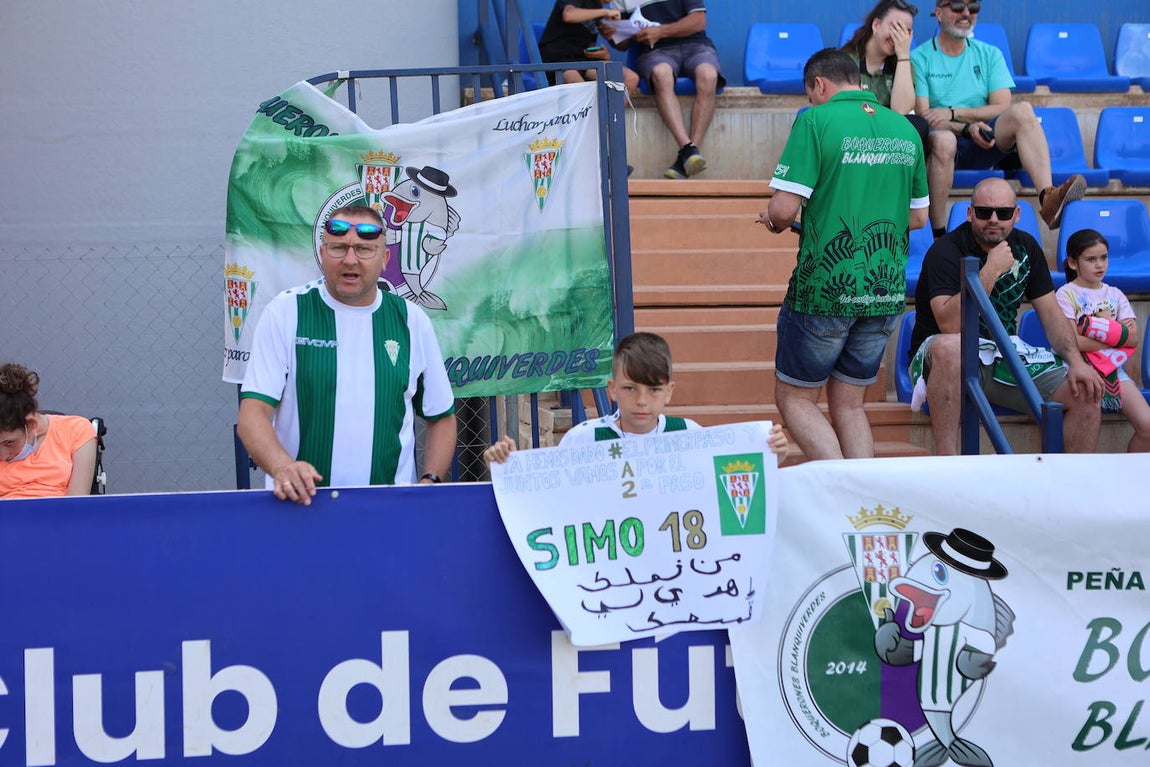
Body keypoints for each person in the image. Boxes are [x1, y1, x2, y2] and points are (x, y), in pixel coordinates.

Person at [758, 48, 929, 461]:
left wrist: (774, 221)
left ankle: (836, 484)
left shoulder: (815, 120)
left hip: (826, 287)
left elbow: (783, 211)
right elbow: (919, 218)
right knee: (851, 405)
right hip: (885, 288)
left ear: (819, 84)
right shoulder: (905, 129)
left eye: (810, 93)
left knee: (795, 398)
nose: (811, 101)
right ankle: (860, 491)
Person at [238, 204, 457, 505]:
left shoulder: (411, 320)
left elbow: (441, 416)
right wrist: (283, 467)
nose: (350, 260)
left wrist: (430, 481)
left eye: (364, 250)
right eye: (338, 248)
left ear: (385, 259)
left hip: (389, 510)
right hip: (301, 508)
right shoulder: (286, 312)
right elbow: (252, 414)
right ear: (322, 254)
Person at [907, 177, 1104, 454]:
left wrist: (1076, 361)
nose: (994, 220)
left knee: (1085, 392)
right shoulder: (946, 250)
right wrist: (990, 270)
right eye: (984, 212)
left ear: (1017, 214)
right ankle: (948, 463)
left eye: (1003, 213)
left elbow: (1051, 314)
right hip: (941, 359)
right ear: (970, 213)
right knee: (952, 347)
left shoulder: (1027, 247)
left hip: (1001, 354)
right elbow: (950, 325)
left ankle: (1065, 479)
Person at [910, 0, 1085, 236]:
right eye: (958, 6)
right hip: (943, 142)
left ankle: (1048, 197)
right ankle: (938, 235)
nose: (966, 13)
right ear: (939, 13)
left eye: (973, 7)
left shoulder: (989, 53)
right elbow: (924, 115)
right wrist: (963, 128)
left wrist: (954, 112)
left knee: (1022, 111)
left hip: (983, 139)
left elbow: (1002, 105)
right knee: (944, 140)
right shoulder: (920, 57)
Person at [484, 332, 789, 462]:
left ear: (669, 391)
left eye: (654, 390)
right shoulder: (583, 439)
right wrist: (508, 464)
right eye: (630, 389)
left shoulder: (689, 435)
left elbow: (732, 477)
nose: (642, 401)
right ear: (612, 389)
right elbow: (548, 492)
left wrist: (772, 454)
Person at [1056, 229, 1150, 452]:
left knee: (1147, 426)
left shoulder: (1115, 294)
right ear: (1073, 263)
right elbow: (1072, 342)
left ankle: (1129, 471)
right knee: (1087, 421)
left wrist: (1091, 334)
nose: (1099, 265)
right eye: (1091, 259)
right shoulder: (1065, 294)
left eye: (1104, 257)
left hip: (1114, 371)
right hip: (1076, 369)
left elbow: (1133, 338)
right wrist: (1116, 337)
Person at [620, 0, 725, 179]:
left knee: (709, 76)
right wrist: (612, 33)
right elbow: (622, 44)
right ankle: (688, 150)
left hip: (696, 46)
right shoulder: (621, 1)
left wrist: (660, 31)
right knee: (662, 74)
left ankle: (689, 152)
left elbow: (698, 21)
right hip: (655, 52)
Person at [0, 361, 97, 498]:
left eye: (9, 443)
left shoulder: (76, 430)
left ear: (31, 424)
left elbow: (76, 504)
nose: (3, 456)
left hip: (60, 511)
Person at [841, 0, 929, 148]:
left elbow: (901, 110)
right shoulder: (846, 61)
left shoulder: (905, 64)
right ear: (876, 25)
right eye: (896, 27)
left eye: (906, 31)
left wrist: (903, 56)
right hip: (854, 133)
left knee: (918, 125)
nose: (899, 37)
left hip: (888, 137)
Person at [537, 0, 639, 93]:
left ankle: (615, 109)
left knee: (630, 78)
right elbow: (568, 15)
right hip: (558, 59)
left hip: (583, 60)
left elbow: (589, 44)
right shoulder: (600, 10)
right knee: (580, 86)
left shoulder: (598, 8)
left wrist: (602, 54)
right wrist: (605, 12)